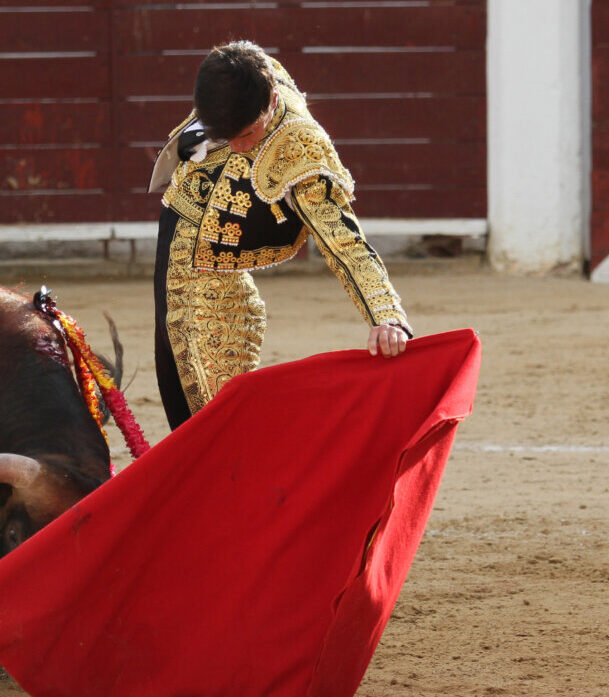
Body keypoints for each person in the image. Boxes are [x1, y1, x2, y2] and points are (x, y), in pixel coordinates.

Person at [148, 40, 413, 430]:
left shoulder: (300, 146)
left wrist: (386, 315)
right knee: (188, 404)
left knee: (214, 420)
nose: (238, 147)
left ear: (273, 102)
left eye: (247, 134)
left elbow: (342, 239)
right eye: (226, 135)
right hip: (178, 245)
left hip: (209, 276)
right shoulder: (244, 73)